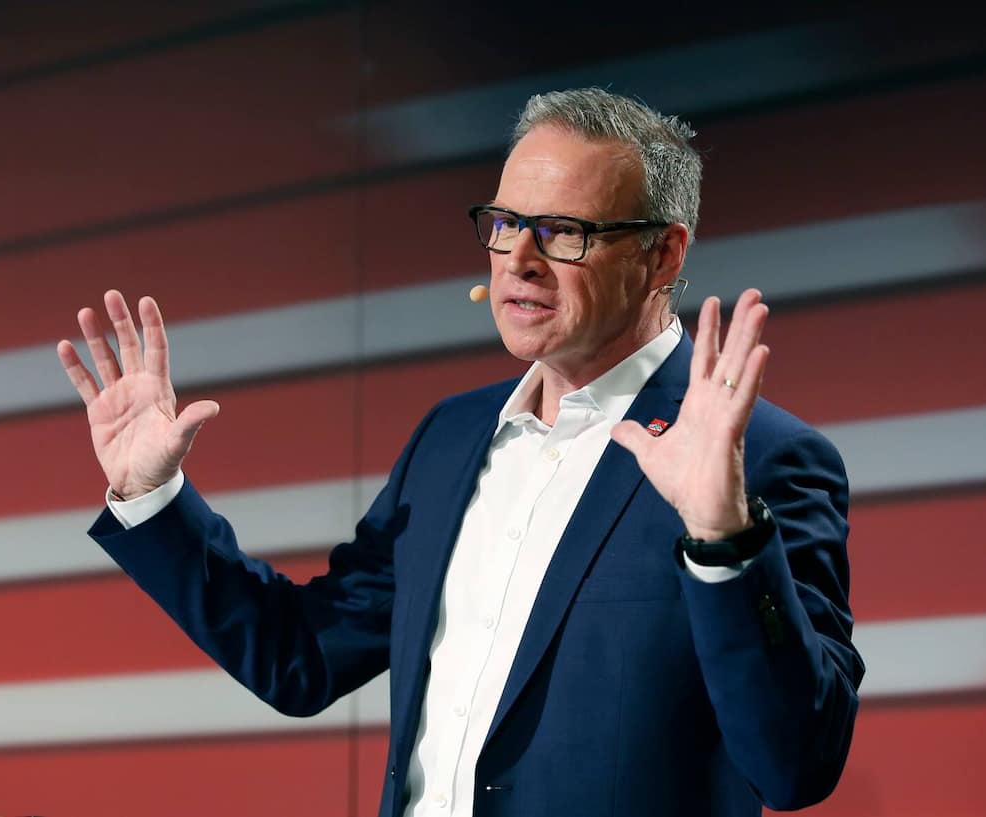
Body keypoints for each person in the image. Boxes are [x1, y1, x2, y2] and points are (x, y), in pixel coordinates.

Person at [57, 88, 862, 817]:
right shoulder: (450, 439)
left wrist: (724, 538)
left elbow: (793, 767)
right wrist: (154, 498)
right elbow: (299, 656)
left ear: (663, 254)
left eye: (564, 232)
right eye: (507, 223)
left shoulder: (762, 460)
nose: (518, 258)